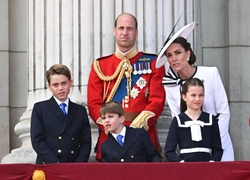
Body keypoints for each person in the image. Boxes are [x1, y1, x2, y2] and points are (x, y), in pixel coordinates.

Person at [88, 12, 165, 161]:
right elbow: (93, 104)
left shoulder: (153, 62)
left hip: (142, 136)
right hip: (110, 138)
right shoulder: (100, 65)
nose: (125, 32)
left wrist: (135, 131)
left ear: (136, 33)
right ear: (114, 31)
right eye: (121, 28)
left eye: (129, 29)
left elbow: (157, 100)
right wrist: (110, 126)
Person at [156, 23, 234, 161]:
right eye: (169, 55)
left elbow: (224, 112)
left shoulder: (211, 73)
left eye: (178, 52)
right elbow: (177, 118)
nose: (173, 58)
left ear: (188, 53)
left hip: (218, 144)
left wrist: (213, 142)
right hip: (191, 150)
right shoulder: (170, 84)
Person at [31, 64, 92, 164]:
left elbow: (86, 143)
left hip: (73, 167)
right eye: (55, 85)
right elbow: (37, 141)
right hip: (48, 165)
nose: (60, 88)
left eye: (64, 83)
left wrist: (78, 166)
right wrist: (55, 164)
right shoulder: (40, 108)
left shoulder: (80, 111)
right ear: (49, 86)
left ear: (70, 83)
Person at [165, 78, 223, 162]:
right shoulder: (177, 120)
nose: (197, 99)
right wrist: (181, 163)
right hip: (185, 168)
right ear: (184, 97)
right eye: (193, 95)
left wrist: (212, 162)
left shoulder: (211, 119)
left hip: (207, 167)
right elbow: (169, 151)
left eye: (201, 95)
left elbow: (218, 149)